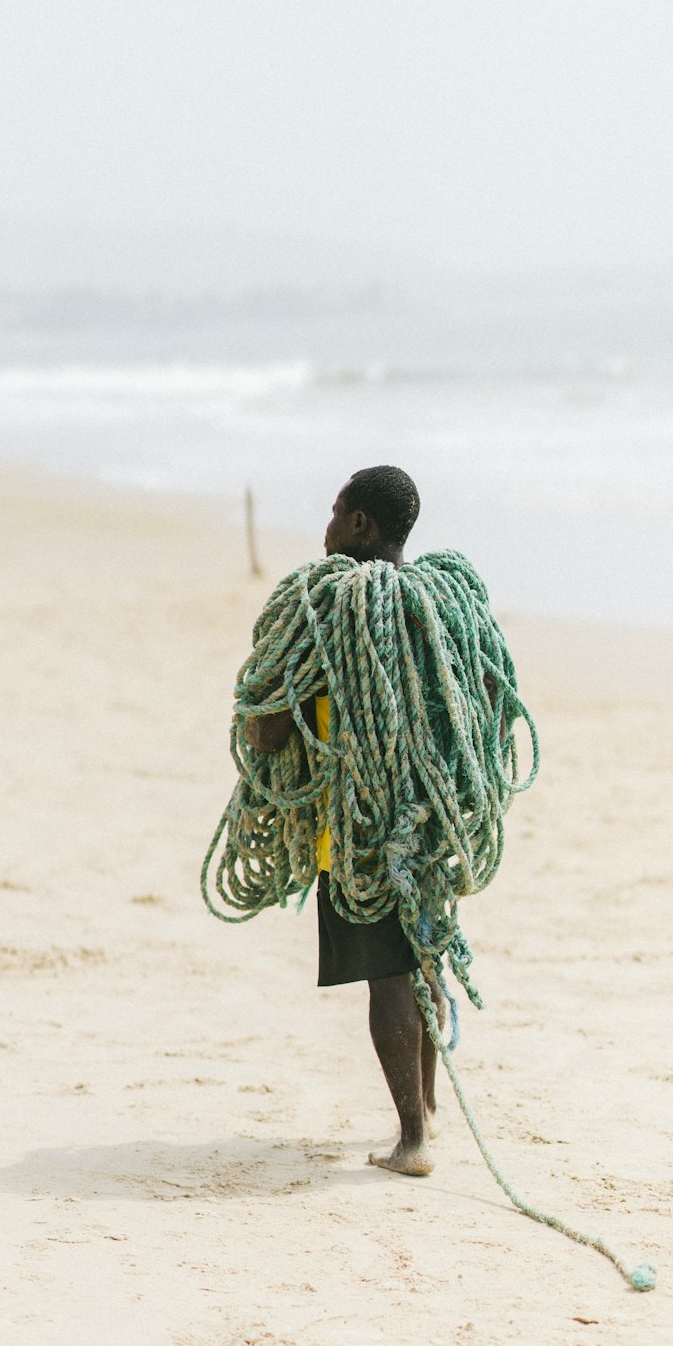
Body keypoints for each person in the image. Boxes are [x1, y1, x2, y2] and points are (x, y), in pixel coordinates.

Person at [244, 465, 446, 1178]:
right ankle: (427, 1107)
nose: (327, 528)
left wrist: (258, 719)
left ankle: (413, 1138)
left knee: (387, 977)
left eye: (336, 513)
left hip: (358, 828)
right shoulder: (436, 609)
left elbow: (269, 732)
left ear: (362, 525)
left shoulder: (330, 610)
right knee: (425, 959)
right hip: (428, 821)